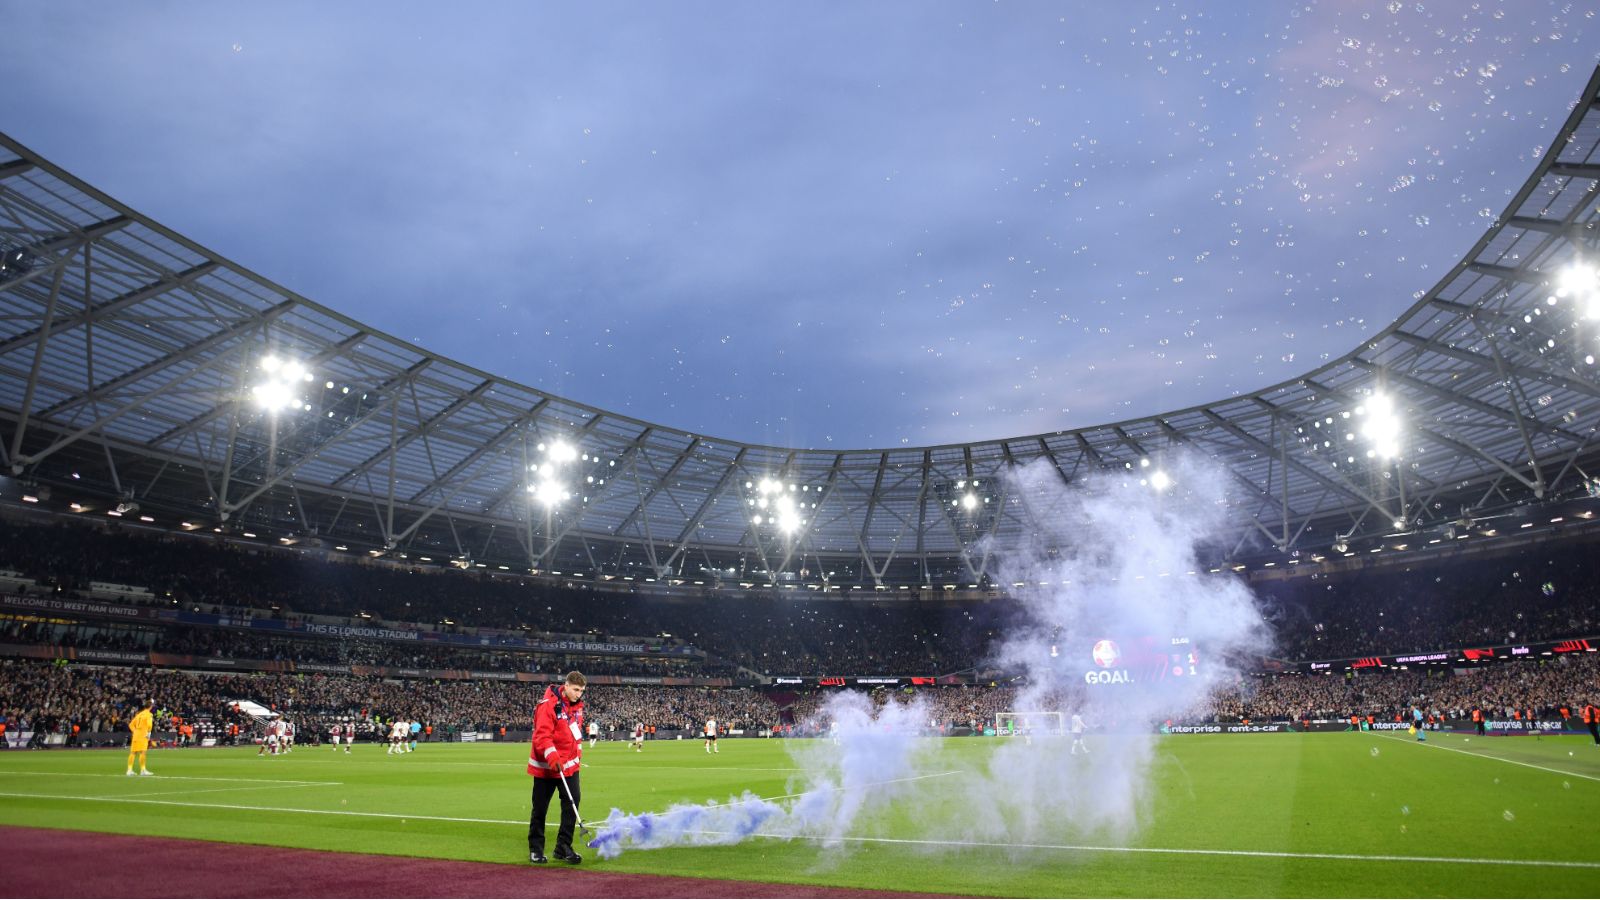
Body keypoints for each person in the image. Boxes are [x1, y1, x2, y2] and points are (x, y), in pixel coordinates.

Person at [527, 671, 586, 866]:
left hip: (568, 767)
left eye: (581, 691)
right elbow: (542, 736)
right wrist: (552, 756)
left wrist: (577, 754)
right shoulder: (548, 705)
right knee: (540, 808)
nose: (579, 694)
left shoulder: (578, 708)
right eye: (576, 690)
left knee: (572, 802)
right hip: (547, 767)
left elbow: (575, 735)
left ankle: (563, 846)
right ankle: (536, 849)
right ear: (566, 686)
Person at [126, 698, 155, 776]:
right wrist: (149, 732)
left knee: (133, 753)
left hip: (136, 735)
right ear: (150, 707)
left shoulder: (139, 714)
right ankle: (143, 770)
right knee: (143, 752)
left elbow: (131, 725)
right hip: (143, 735)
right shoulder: (149, 714)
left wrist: (134, 731)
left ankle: (129, 770)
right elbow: (149, 724)